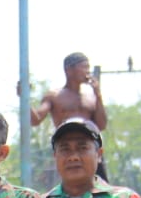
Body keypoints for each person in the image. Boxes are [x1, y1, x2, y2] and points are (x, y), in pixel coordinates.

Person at [31, 52, 109, 180]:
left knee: (99, 186)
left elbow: (102, 125)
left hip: (88, 146)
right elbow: (35, 120)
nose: (87, 72)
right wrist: (25, 99)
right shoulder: (54, 96)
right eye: (84, 67)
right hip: (66, 146)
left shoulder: (90, 96)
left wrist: (98, 95)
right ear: (69, 70)